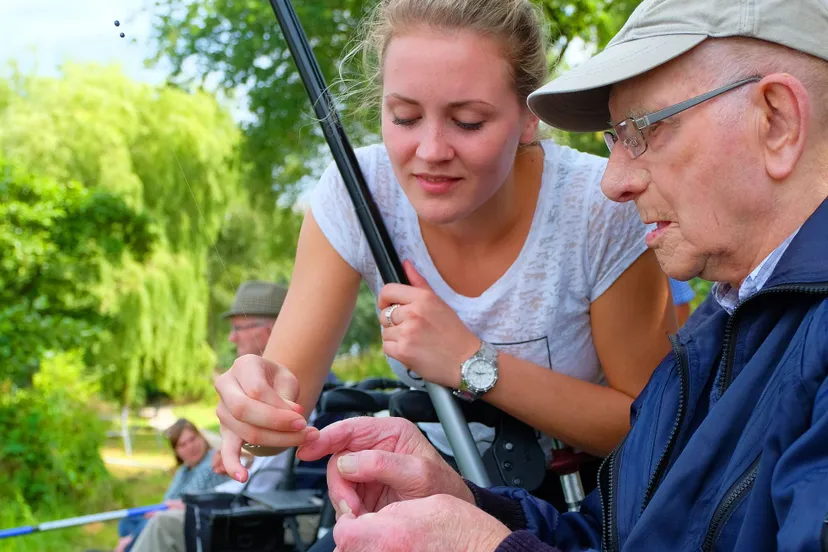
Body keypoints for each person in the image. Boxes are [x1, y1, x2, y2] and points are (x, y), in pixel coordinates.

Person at [294, 0, 828, 550]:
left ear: (778, 120)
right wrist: (462, 501)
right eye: (614, 137)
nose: (614, 181)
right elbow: (611, 534)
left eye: (645, 129)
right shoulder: (724, 326)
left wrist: (484, 546)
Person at [214, 0, 688, 496]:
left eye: (467, 122)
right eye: (404, 116)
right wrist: (255, 407)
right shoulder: (355, 191)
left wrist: (470, 362)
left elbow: (651, 424)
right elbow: (282, 414)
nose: (431, 151)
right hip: (425, 492)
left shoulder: (599, 206)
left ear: (530, 117)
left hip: (577, 505)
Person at [127, 281, 328, 552]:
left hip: (274, 513)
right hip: (261, 504)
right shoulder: (276, 392)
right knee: (137, 524)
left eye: (238, 328)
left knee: (163, 525)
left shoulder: (300, 393)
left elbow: (263, 482)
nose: (232, 338)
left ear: (267, 332)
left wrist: (199, 501)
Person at [114, 419, 228, 552]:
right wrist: (159, 509)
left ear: (201, 437)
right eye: (183, 445)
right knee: (128, 521)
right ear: (176, 451)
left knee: (151, 523)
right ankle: (129, 545)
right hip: (176, 512)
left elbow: (188, 499)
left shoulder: (212, 462)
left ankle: (127, 546)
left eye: (193, 439)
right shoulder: (184, 470)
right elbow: (168, 499)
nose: (190, 447)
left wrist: (161, 510)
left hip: (196, 518)